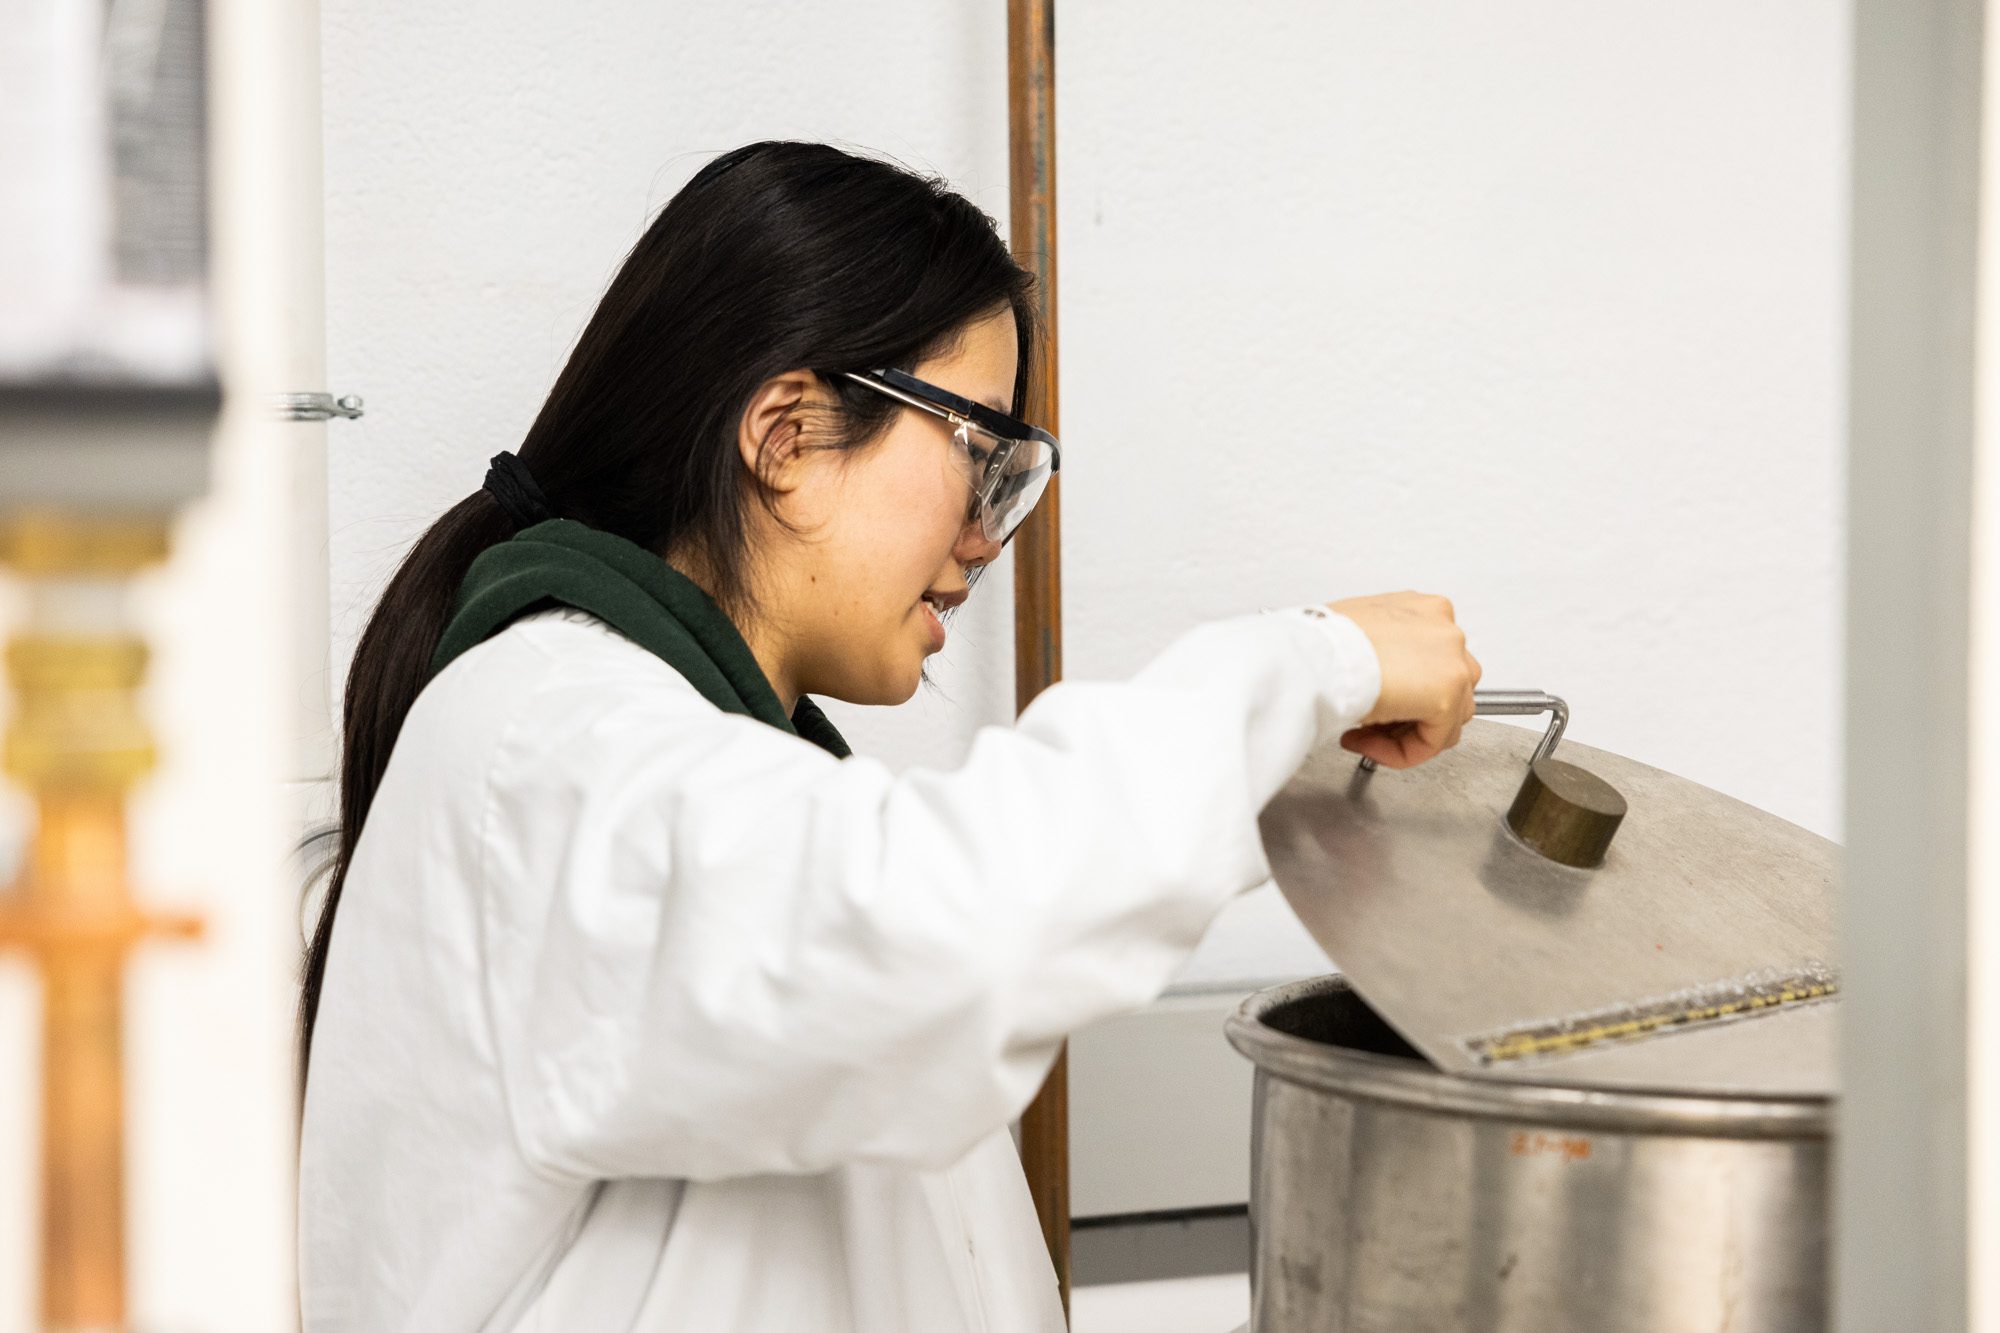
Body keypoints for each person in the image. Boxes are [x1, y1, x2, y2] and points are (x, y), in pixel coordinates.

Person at [297, 140, 1480, 1332]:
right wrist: (1312, 663)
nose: (983, 536)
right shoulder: (548, 740)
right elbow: (954, 922)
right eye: (981, 457)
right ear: (788, 435)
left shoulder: (727, 768)